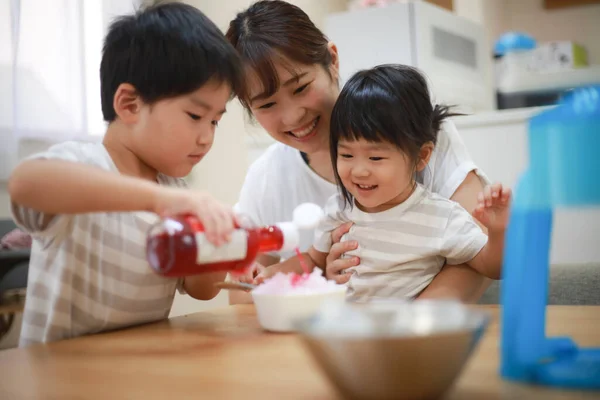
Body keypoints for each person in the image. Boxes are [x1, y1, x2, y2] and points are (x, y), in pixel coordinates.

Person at [226, 0, 497, 304]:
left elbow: (480, 253)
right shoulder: (267, 177)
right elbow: (243, 297)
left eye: (300, 88)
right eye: (266, 105)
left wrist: (407, 327)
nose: (291, 117)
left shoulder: (414, 135)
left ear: (332, 60)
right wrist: (319, 280)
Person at [8, 3, 242, 346]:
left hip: (132, 372)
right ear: (129, 104)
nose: (207, 137)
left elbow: (202, 290)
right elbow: (25, 183)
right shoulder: (86, 164)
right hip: (58, 378)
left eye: (215, 121)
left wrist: (220, 241)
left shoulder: (171, 191)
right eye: (195, 115)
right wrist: (161, 201)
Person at [253, 65, 509, 301]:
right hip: (348, 335)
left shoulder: (442, 217)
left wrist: (498, 232)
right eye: (346, 155)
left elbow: (494, 268)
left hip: (404, 341)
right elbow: (311, 259)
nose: (359, 171)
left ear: (421, 156)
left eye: (376, 157)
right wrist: (273, 272)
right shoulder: (339, 209)